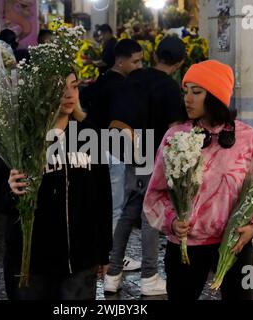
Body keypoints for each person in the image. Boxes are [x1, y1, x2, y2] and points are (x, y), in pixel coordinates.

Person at [143, 60, 253, 300]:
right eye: (185, 92)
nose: (187, 99)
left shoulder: (246, 137)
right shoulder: (175, 137)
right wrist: (172, 221)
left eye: (196, 92)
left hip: (235, 244)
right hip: (185, 247)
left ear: (215, 95)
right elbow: (155, 194)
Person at [6, 73, 113, 300]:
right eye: (59, 88)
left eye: (73, 87)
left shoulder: (89, 133)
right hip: (32, 263)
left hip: (81, 260)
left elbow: (103, 195)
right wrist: (9, 189)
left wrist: (103, 251)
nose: (68, 94)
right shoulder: (22, 137)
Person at [104, 36, 187, 296]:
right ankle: (149, 276)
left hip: (130, 153)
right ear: (180, 63)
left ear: (155, 56)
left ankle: (113, 272)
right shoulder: (171, 89)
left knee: (130, 210)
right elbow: (175, 131)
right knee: (151, 214)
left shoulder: (135, 78)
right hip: (154, 158)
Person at [81, 39, 143, 272]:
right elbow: (120, 121)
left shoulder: (102, 81)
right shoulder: (120, 86)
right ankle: (113, 257)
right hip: (113, 152)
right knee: (115, 206)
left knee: (104, 204)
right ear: (120, 60)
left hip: (96, 149)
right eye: (135, 61)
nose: (138, 66)